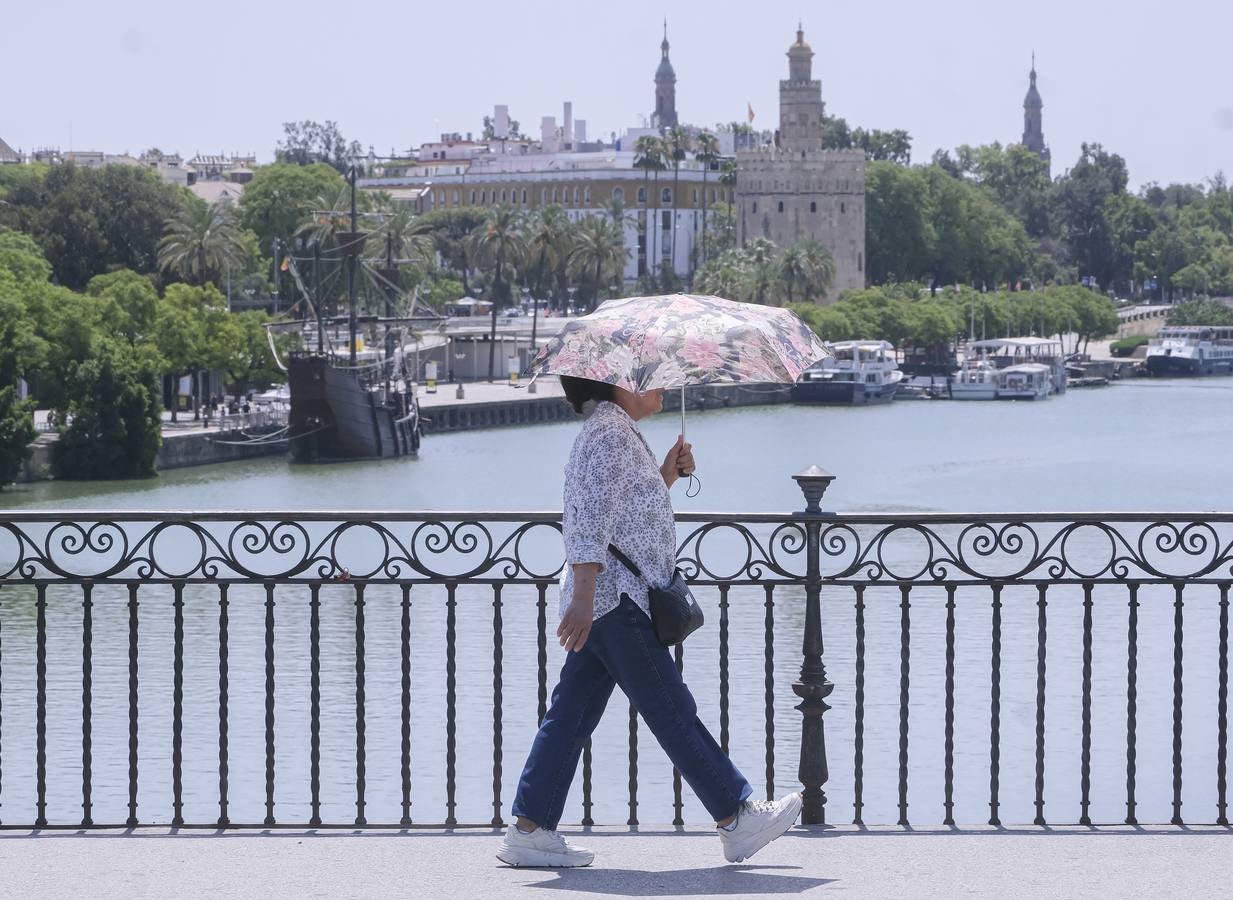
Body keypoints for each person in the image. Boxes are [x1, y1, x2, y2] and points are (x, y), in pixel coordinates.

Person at [497, 375, 801, 869]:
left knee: (570, 716)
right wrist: (586, 594)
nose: (662, 385)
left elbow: (625, 512)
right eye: (651, 378)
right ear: (620, 385)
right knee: (670, 709)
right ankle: (736, 817)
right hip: (617, 600)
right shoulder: (610, 435)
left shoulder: (613, 430)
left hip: (607, 599)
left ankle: (530, 828)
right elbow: (588, 519)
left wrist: (665, 475)